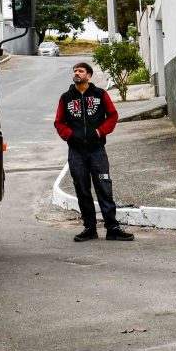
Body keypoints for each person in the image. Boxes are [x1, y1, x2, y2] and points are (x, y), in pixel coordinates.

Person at [54, 61, 135, 242]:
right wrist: (70, 136)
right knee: (82, 189)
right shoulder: (66, 98)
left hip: (97, 150)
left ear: (89, 76)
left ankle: (112, 228)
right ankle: (89, 228)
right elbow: (59, 122)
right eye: (74, 70)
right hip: (76, 153)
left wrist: (99, 131)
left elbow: (112, 116)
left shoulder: (100, 95)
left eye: (80, 71)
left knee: (104, 188)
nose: (76, 73)